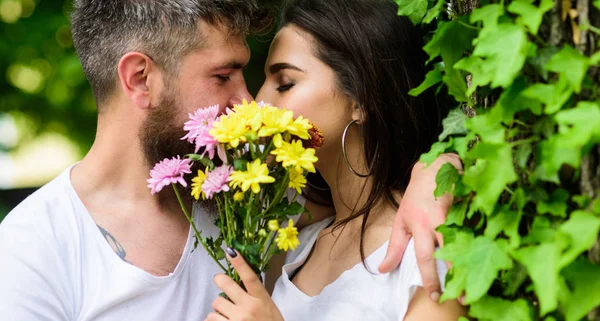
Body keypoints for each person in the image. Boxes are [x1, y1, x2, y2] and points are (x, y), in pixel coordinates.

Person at [0, 0, 457, 320]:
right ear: (140, 78)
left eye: (275, 80)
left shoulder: (259, 203)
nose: (248, 103)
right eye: (223, 75)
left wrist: (442, 168)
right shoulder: (33, 250)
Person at [206, 0, 465, 320]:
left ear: (361, 99)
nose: (259, 102)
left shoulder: (425, 243)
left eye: (285, 83)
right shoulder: (299, 245)